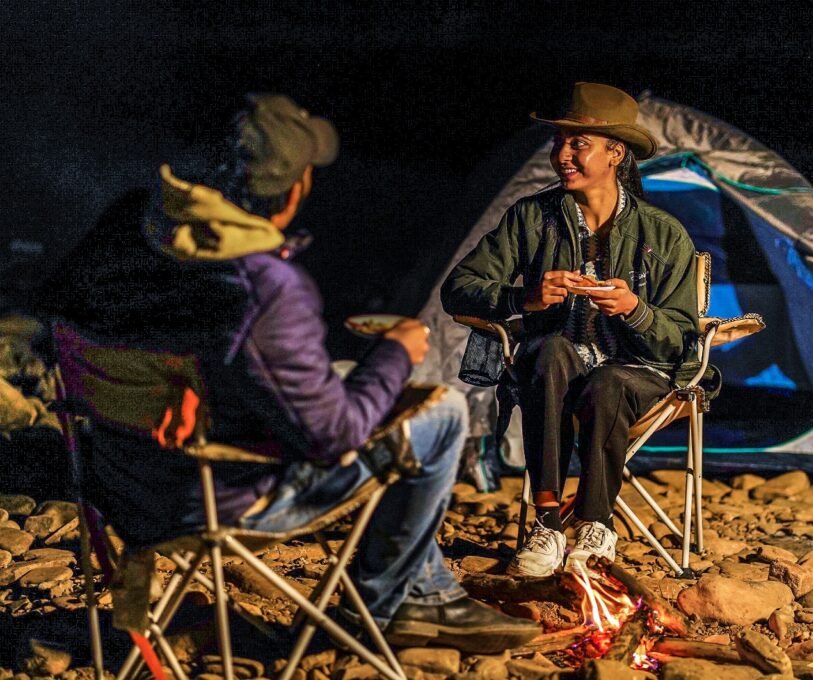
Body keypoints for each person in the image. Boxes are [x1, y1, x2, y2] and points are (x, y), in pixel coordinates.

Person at [38, 94, 539, 652]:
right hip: (214, 496)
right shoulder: (264, 286)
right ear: (295, 190)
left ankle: (417, 587)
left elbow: (62, 321)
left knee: (343, 372)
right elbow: (333, 437)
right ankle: (401, 600)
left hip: (120, 482)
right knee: (441, 409)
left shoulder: (131, 227)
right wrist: (396, 352)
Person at [441, 83, 703, 577]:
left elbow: (681, 341)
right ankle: (547, 524)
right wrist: (525, 297)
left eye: (578, 143)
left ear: (615, 153)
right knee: (550, 352)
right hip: (555, 371)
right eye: (559, 141)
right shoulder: (531, 218)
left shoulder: (663, 234)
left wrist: (634, 309)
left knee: (608, 382)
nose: (562, 154)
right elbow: (459, 288)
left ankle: (596, 522)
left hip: (637, 374)